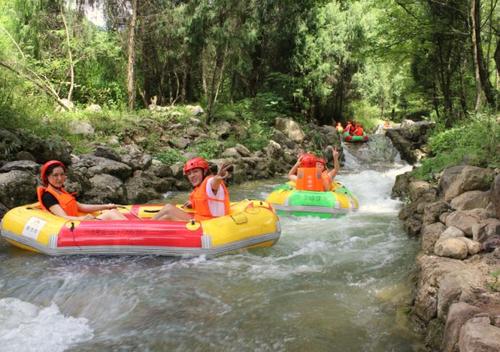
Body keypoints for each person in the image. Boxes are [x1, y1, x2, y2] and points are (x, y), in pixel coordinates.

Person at [37, 160, 127, 221]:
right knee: (111, 214)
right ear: (47, 177)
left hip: (80, 222)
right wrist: (82, 219)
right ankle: (135, 233)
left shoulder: (62, 191)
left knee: (113, 211)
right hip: (75, 226)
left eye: (62, 174)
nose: (59, 178)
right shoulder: (48, 196)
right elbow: (63, 217)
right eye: (55, 175)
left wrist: (107, 206)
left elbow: (82, 207)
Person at [152, 157, 232, 222]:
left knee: (167, 216)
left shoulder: (209, 181)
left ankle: (146, 229)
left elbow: (214, 184)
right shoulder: (199, 188)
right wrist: (192, 203)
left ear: (204, 172)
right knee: (168, 208)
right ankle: (146, 226)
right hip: (202, 221)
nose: (192, 176)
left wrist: (218, 178)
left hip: (211, 224)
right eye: (189, 174)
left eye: (195, 171)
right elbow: (204, 201)